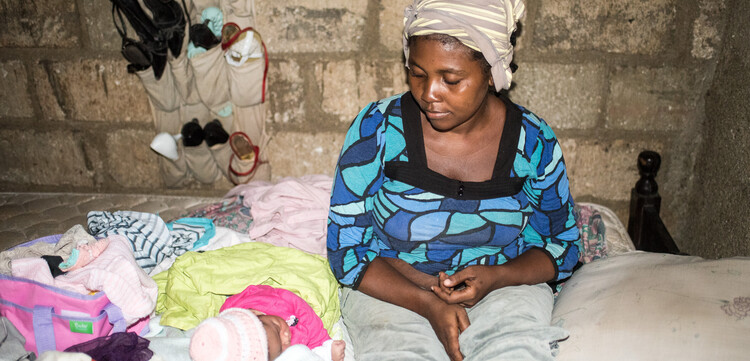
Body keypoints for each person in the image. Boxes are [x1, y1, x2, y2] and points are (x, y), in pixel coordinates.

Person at [326, 1, 581, 360]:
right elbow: (346, 251)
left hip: (502, 290)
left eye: (451, 80)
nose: (429, 93)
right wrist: (428, 302)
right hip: (394, 290)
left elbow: (562, 245)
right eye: (417, 73)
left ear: (492, 74)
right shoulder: (377, 130)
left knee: (515, 352)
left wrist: (498, 277)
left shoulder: (532, 141)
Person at [189, 285, 346, 361]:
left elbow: (308, 317)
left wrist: (323, 340)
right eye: (281, 348)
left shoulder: (273, 302)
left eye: (277, 327)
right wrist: (326, 352)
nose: (286, 336)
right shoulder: (292, 347)